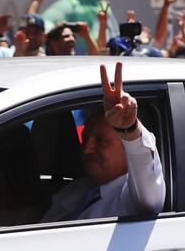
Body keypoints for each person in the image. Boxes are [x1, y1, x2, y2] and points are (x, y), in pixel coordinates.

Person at [41, 62, 165, 222]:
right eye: (85, 138)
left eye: (101, 141)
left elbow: (146, 175)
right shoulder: (76, 190)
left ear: (127, 148)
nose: (87, 149)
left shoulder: (133, 199)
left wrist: (130, 129)